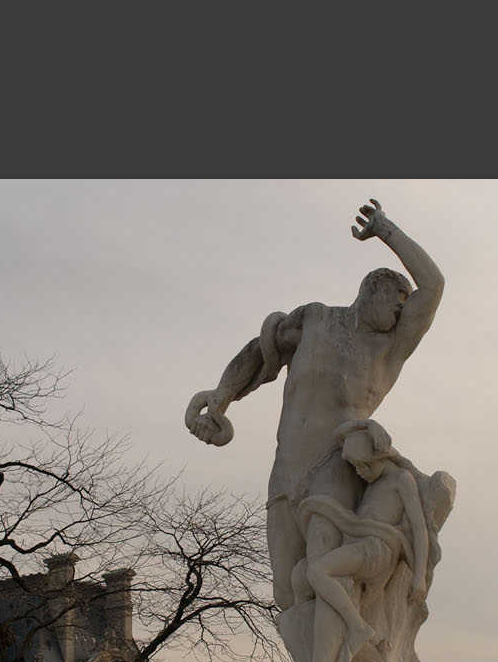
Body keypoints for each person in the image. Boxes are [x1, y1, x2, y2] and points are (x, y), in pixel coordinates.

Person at [183, 198, 445, 613]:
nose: (402, 308)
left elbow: (433, 286)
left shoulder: (391, 348)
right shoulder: (316, 320)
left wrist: (385, 230)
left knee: (323, 573)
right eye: (397, 297)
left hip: (336, 465)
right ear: (371, 289)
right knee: (288, 595)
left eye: (405, 302)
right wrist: (222, 396)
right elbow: (260, 351)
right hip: (286, 468)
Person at [293, 419, 433, 662]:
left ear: (378, 455)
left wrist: (419, 577)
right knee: (303, 576)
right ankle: (337, 651)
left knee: (318, 572)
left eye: (363, 465)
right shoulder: (374, 480)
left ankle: (358, 627)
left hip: (378, 550)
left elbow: (419, 527)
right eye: (356, 467)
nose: (360, 472)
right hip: (362, 543)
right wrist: (364, 426)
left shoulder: (400, 480)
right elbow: (340, 429)